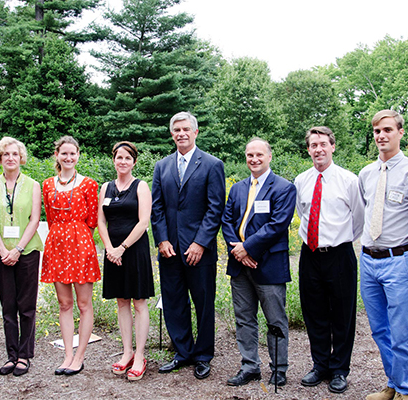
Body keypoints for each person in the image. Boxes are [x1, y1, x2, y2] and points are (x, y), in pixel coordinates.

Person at [358, 110, 408, 400]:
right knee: (379, 330)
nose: (381, 136)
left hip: (400, 259)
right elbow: (364, 209)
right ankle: (393, 383)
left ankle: (406, 391)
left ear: (400, 132)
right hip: (369, 260)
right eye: (376, 131)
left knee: (401, 331)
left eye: (387, 130)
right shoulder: (366, 173)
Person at [151, 111, 225, 379]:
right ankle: (183, 352)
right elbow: (157, 207)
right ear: (172, 134)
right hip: (169, 250)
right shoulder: (162, 166)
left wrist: (200, 243)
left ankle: (203, 355)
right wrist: (161, 239)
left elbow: (215, 208)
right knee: (173, 302)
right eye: (176, 130)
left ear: (195, 132)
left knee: (204, 303)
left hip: (199, 251)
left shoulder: (212, 164)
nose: (180, 133)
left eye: (185, 129)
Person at [294, 127, 364, 394]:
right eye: (313, 145)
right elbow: (303, 213)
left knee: (342, 315)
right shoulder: (301, 180)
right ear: (309, 149)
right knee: (315, 313)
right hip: (310, 254)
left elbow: (358, 219)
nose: (318, 149)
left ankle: (339, 370)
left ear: (333, 146)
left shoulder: (349, 180)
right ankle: (320, 364)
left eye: (323, 144)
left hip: (339, 254)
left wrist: (338, 240)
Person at [222, 138, 296, 387]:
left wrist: (248, 248)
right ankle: (250, 366)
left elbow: (277, 226)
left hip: (269, 265)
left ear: (269, 157)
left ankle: (279, 368)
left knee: (275, 319)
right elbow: (227, 221)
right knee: (244, 317)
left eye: (259, 155)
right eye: (249, 155)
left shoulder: (284, 188)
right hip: (239, 265)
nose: (254, 159)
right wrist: (238, 251)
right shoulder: (237, 188)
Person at [0, 137, 43, 376]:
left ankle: (25, 355)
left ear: (21, 158)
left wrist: (17, 249)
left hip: (26, 251)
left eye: (14, 154)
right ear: (0, 157)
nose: (10, 158)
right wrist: (3, 250)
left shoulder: (33, 185)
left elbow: (35, 219)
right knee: (8, 305)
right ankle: (11, 355)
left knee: (26, 305)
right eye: (6, 154)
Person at [41, 136, 99, 376]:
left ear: (78, 155)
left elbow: (92, 220)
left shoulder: (88, 184)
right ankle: (67, 354)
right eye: (64, 153)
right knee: (64, 304)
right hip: (57, 245)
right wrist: (62, 236)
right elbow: (50, 217)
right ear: (57, 155)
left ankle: (80, 356)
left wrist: (78, 238)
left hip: (80, 243)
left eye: (72, 154)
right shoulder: (47, 184)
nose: (68, 158)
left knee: (84, 304)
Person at [98, 141, 154, 381]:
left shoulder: (141, 187)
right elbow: (101, 221)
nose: (122, 162)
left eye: (127, 158)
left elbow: (143, 222)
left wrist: (122, 248)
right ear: (114, 160)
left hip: (133, 250)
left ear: (134, 162)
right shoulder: (106, 187)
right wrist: (110, 249)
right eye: (119, 157)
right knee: (121, 301)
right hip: (112, 252)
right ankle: (127, 352)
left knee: (139, 302)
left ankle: (140, 356)